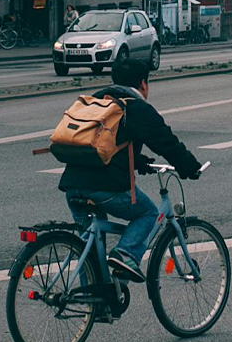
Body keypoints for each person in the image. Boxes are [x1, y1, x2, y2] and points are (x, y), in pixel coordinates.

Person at [57, 59, 203, 282]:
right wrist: (190, 167)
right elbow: (166, 142)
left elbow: (105, 145)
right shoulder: (135, 106)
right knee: (148, 214)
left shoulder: (96, 99)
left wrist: (137, 161)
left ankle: (91, 300)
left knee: (90, 247)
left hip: (72, 184)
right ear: (144, 83)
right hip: (105, 187)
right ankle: (125, 254)